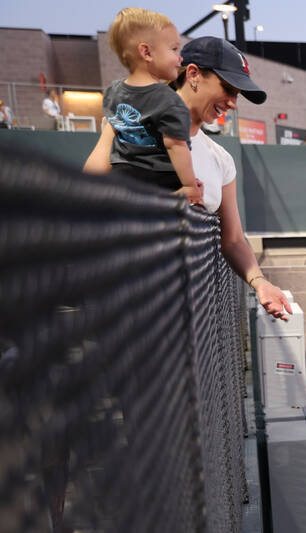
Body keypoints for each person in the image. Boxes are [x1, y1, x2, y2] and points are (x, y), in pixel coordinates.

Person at [86, 36, 289, 320]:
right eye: (228, 89)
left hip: (189, 312)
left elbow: (232, 241)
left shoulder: (221, 159)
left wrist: (260, 282)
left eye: (237, 95)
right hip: (127, 304)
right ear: (193, 74)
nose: (232, 103)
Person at [84, 8, 201, 205]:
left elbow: (110, 141)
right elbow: (175, 145)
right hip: (161, 177)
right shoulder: (168, 100)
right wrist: (189, 186)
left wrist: (87, 184)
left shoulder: (113, 92)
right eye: (174, 49)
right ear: (146, 52)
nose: (180, 58)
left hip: (124, 177)